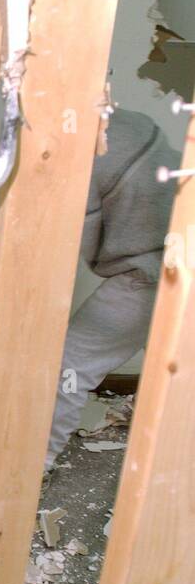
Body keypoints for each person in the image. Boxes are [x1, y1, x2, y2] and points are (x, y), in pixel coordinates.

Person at [43, 107, 179, 476]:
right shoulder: (134, 121)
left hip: (150, 273)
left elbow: (76, 241)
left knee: (70, 367)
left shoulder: (78, 150)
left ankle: (38, 462)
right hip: (180, 259)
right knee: (176, 367)